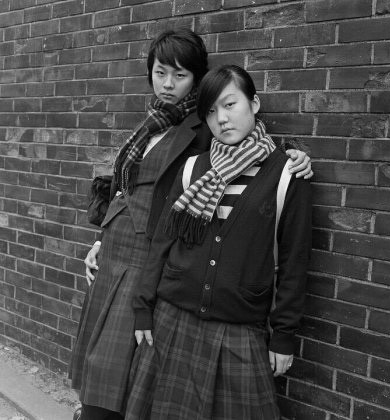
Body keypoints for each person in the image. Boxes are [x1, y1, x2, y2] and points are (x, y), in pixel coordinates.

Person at [69, 29, 312, 420]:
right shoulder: (152, 125)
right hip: (117, 258)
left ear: (196, 79)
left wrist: (295, 156)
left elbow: (243, 151)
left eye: (179, 75)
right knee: (101, 374)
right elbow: (125, 188)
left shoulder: (201, 129)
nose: (168, 84)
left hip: (148, 261)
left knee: (119, 378)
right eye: (160, 72)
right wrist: (100, 241)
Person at [125, 65, 312, 420]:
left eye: (230, 105)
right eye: (210, 111)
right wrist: (143, 309)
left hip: (239, 328)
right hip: (171, 319)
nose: (221, 119)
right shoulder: (193, 169)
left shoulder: (288, 174)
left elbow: (294, 264)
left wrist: (284, 335)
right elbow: (162, 244)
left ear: (254, 104)